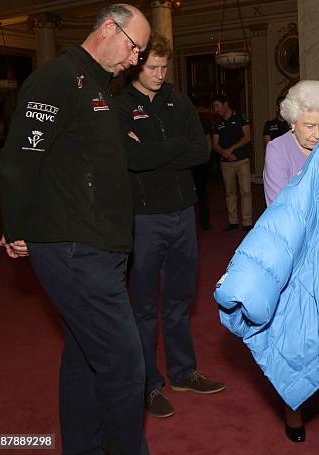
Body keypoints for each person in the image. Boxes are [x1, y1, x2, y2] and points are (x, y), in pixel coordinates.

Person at [0, 4, 151, 454]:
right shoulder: (57, 78)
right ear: (108, 28)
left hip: (97, 246)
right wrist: (17, 226)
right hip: (74, 249)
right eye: (133, 45)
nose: (136, 58)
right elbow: (18, 163)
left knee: (85, 358)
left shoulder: (100, 86)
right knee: (125, 366)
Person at [115, 31, 225, 419]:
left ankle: (183, 372)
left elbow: (200, 151)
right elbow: (131, 158)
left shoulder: (178, 101)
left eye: (164, 67)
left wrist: (154, 152)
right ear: (135, 65)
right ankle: (148, 384)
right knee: (143, 307)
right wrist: (173, 149)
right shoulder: (118, 104)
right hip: (143, 218)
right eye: (152, 67)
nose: (160, 74)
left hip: (183, 212)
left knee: (179, 301)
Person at [263, 80, 319, 441]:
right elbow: (280, 208)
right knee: (295, 339)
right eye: (310, 125)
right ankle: (293, 408)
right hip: (293, 257)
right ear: (292, 120)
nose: (318, 133)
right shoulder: (278, 150)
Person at [211, 95, 253, 231]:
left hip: (242, 161)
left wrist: (231, 149)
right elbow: (215, 144)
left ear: (225, 104)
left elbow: (248, 137)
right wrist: (225, 153)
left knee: (246, 192)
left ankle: (247, 221)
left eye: (217, 106)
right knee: (230, 193)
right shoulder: (217, 123)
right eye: (214, 107)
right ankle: (233, 221)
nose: (215, 109)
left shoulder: (241, 117)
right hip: (226, 162)